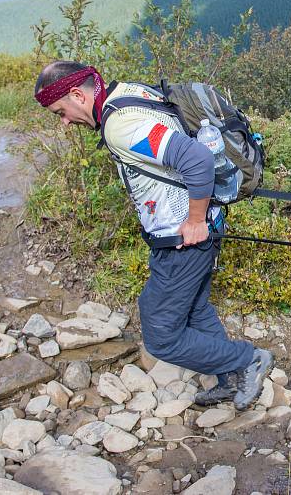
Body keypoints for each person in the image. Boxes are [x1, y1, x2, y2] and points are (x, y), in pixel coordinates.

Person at [33, 61, 273, 410]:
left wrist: (193, 220)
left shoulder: (120, 125)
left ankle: (247, 360)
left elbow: (196, 160)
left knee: (161, 336)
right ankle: (230, 379)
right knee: (194, 308)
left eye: (61, 112)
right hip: (201, 225)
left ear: (76, 95)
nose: (65, 122)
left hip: (183, 239)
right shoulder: (128, 92)